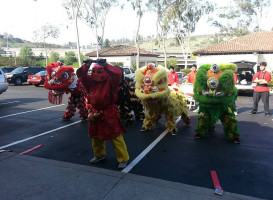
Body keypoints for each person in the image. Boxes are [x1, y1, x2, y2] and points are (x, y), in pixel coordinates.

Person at [77, 59, 129, 169]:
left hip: (109, 111)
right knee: (95, 136)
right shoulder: (90, 81)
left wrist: (105, 65)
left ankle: (123, 159)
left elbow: (118, 73)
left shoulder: (111, 81)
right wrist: (87, 65)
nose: (96, 75)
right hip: (95, 111)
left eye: (99, 72)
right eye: (94, 72)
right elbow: (81, 75)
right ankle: (99, 155)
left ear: (104, 72)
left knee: (115, 136)